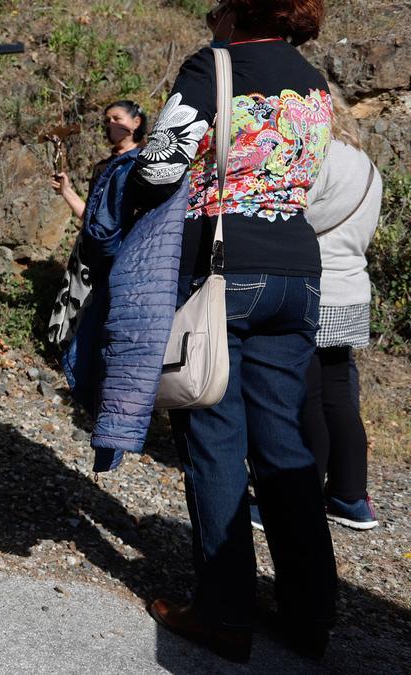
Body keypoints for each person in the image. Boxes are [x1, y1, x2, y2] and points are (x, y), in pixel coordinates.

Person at [128, 0, 337, 663]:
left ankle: (224, 612)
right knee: (286, 443)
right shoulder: (313, 80)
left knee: (215, 436)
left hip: (225, 269)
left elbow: (159, 166)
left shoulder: (213, 65)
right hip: (299, 273)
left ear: (239, 10)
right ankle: (310, 613)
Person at [302, 99, 383, 529]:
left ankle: (302, 496)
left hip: (317, 288)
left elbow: (294, 219)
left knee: (307, 397)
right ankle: (351, 496)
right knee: (338, 395)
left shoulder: (320, 159)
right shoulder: (368, 167)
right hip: (352, 287)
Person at [51, 100, 148, 220]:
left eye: (117, 119)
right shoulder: (102, 168)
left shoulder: (151, 158)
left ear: (136, 122)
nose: (111, 124)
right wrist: (66, 191)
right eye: (107, 121)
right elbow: (91, 218)